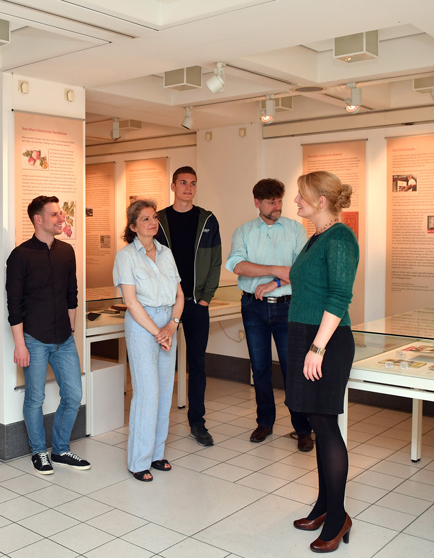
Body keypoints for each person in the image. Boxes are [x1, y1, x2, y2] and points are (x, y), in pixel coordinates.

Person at [287, 171, 359, 553]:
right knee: (316, 420)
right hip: (307, 336)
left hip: (326, 340)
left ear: (320, 200)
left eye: (301, 195)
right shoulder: (316, 237)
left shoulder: (341, 238)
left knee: (326, 425)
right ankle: (323, 505)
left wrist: (317, 348)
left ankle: (338, 517)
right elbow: (310, 286)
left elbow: (338, 296)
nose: (295, 201)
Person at [224, 178, 313, 450]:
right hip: (254, 307)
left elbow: (300, 271)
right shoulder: (244, 232)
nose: (277, 206)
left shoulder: (296, 230)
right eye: (271, 202)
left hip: (288, 306)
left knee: (292, 369)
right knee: (260, 367)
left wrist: (275, 282)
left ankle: (302, 429)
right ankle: (265, 422)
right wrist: (276, 269)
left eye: (279, 200)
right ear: (257, 203)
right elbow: (237, 266)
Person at [6, 196, 90, 475]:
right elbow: (14, 305)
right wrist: (20, 344)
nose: (60, 218)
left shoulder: (67, 251)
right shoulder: (20, 256)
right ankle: (39, 452)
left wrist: (72, 328)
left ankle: (62, 449)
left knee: (74, 393)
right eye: (54, 215)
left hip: (64, 338)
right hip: (34, 338)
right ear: (38, 219)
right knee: (35, 397)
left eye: (60, 214)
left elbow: (71, 294)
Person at [114, 199, 184, 481]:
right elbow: (130, 301)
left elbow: (179, 296)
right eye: (145, 219)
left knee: (166, 392)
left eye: (154, 217)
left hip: (169, 322)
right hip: (144, 326)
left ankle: (157, 454)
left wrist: (172, 325)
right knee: (147, 393)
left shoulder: (166, 253)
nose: (152, 222)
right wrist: (158, 332)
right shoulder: (126, 257)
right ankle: (138, 461)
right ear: (132, 226)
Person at [154, 166, 222, 447]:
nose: (188, 188)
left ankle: (198, 422)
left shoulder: (207, 220)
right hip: (164, 304)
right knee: (160, 364)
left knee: (197, 364)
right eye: (183, 183)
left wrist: (206, 297)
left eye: (193, 183)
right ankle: (157, 424)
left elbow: (216, 259)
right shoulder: (158, 220)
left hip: (195, 303)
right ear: (173, 186)